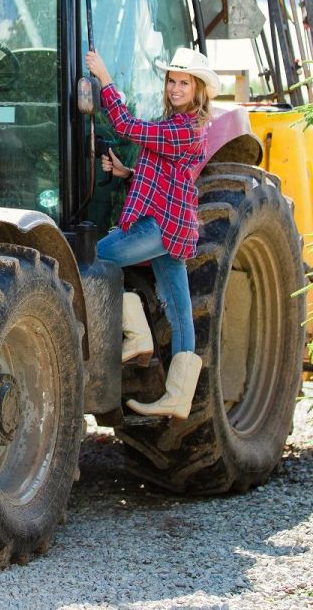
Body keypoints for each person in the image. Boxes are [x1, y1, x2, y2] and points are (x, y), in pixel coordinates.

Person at [85, 47, 217, 420]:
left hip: (161, 225)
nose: (175, 89)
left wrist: (104, 78)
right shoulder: (176, 125)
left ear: (198, 89)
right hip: (173, 225)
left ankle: (138, 336)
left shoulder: (183, 128)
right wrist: (126, 173)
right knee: (179, 309)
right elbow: (168, 177)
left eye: (184, 83)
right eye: (172, 81)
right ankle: (178, 397)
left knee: (95, 259)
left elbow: (127, 126)